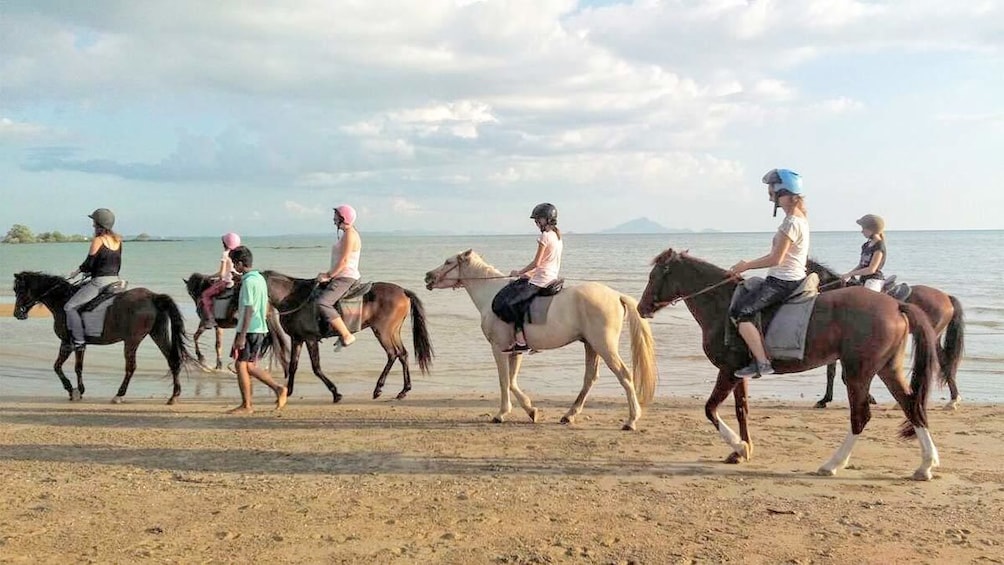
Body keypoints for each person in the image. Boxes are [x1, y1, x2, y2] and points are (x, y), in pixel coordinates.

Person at [726, 169, 810, 379]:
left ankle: (763, 363)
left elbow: (776, 260)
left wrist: (746, 265)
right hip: (790, 277)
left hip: (783, 280)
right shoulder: (799, 219)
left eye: (774, 193)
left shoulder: (791, 222)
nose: (771, 197)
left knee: (741, 314)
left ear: (786, 195)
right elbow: (777, 254)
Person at [493, 202, 564, 354]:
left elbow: (537, 262)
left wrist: (519, 272)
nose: (536, 223)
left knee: (510, 304)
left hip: (541, 280)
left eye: (538, 220)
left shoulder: (544, 236)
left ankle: (521, 341)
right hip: (550, 277)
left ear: (547, 219)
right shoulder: (557, 237)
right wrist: (529, 274)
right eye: (536, 220)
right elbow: (546, 263)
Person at [227, 245, 287, 414]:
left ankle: (247, 405)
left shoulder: (248, 282)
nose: (233, 267)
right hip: (260, 328)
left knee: (240, 365)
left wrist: (241, 335)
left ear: (240, 264)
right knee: (250, 366)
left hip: (249, 329)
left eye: (234, 263)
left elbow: (248, 309)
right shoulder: (259, 278)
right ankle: (278, 389)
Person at [64, 208, 123, 351]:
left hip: (100, 282)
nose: (92, 225)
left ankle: (78, 341)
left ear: (99, 224)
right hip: (116, 280)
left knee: (69, 307)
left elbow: (89, 263)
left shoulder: (98, 240)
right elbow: (116, 263)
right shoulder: (118, 240)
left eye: (94, 223)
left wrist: (76, 273)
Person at [316, 204, 361, 350]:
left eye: (336, 217)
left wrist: (328, 275)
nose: (333, 220)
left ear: (344, 218)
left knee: (323, 303)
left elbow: (344, 261)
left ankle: (346, 334)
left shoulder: (350, 235)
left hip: (345, 277)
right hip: (340, 275)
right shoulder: (347, 234)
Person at [200, 232, 242, 327]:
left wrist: (209, 277)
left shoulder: (225, 254)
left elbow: (222, 274)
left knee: (205, 295)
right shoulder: (237, 254)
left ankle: (210, 319)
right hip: (237, 281)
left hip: (226, 283)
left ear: (225, 243)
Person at [841, 214, 886, 292]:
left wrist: (851, 274)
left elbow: (871, 269)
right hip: (863, 279)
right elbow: (861, 265)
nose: (862, 231)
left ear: (872, 229)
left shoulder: (879, 246)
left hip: (874, 280)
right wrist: (848, 274)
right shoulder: (865, 245)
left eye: (863, 228)